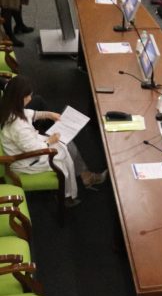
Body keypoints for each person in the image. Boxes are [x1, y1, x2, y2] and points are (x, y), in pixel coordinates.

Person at [0, 75, 106, 207]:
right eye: (28, 96)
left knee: (65, 145)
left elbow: (31, 114)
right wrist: (50, 141)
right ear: (20, 98)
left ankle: (79, 181)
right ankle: (66, 195)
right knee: (64, 151)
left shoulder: (10, 108)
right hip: (26, 161)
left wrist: (49, 114)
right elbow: (33, 149)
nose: (31, 99)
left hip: (27, 147)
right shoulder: (18, 126)